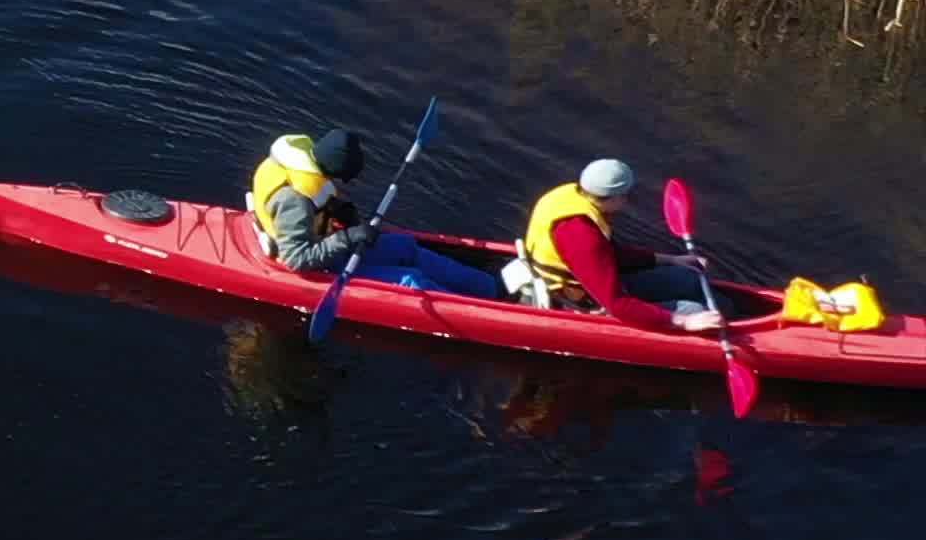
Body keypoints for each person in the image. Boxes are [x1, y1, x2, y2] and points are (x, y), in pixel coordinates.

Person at [245, 128, 501, 300]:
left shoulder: (307, 161)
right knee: (412, 280)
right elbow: (296, 259)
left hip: (322, 240)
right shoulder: (295, 201)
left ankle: (491, 288)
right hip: (313, 263)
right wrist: (346, 238)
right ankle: (491, 314)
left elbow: (319, 200)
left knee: (407, 249)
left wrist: (340, 212)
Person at [502, 160, 722, 332]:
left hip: (594, 278)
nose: (628, 201)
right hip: (581, 298)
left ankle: (727, 314)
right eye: (626, 196)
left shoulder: (573, 194)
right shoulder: (579, 233)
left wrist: (668, 259)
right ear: (611, 198)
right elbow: (616, 304)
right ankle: (729, 328)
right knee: (696, 310)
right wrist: (683, 321)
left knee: (688, 278)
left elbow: (608, 253)